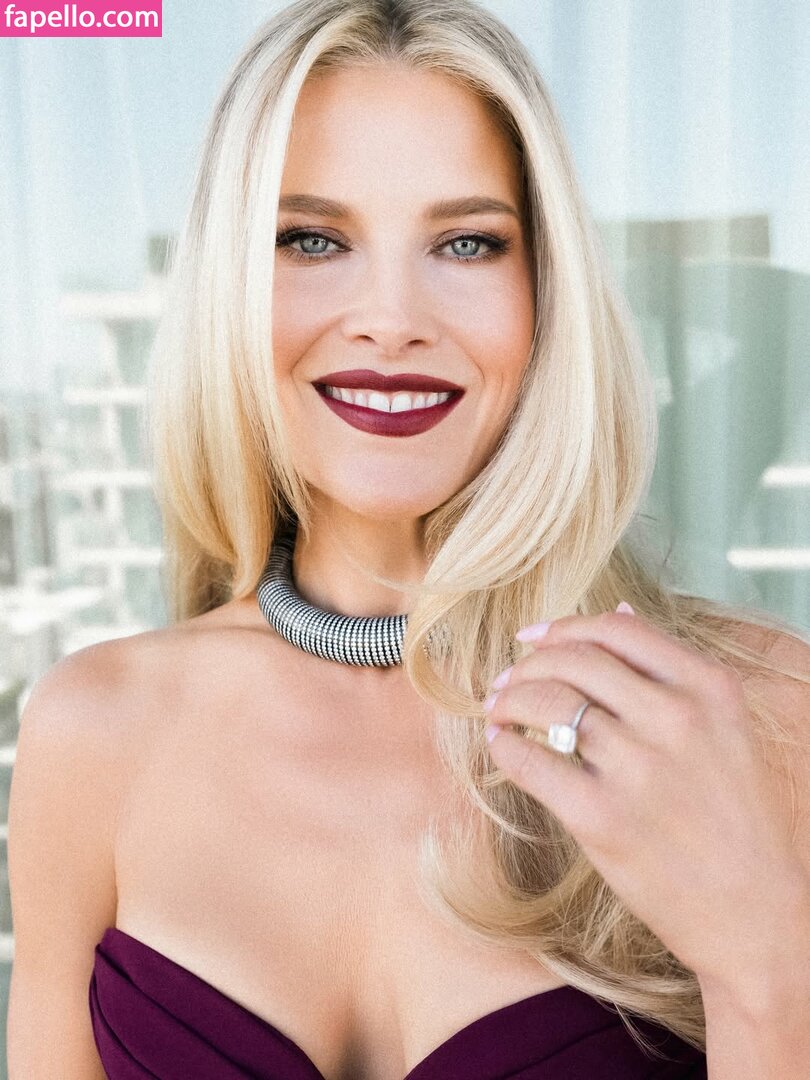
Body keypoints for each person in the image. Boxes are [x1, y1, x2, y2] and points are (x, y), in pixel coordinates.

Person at [7, 0, 810, 1076]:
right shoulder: (93, 733)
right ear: (229, 288)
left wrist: (765, 974)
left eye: (468, 243)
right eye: (312, 240)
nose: (391, 318)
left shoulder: (756, 718)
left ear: (545, 294)